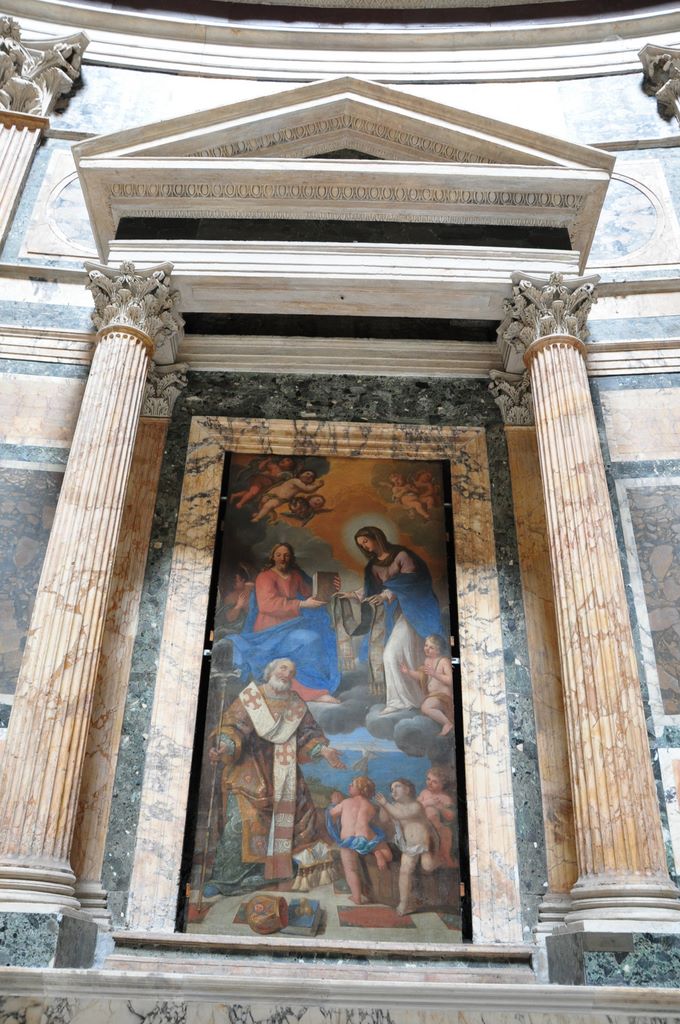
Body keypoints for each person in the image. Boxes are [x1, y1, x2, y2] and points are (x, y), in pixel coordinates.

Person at [202, 658, 345, 899]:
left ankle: (274, 872)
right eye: (283, 668)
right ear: (270, 670)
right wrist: (223, 746)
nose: (287, 673)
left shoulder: (296, 704)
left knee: (298, 822)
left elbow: (308, 735)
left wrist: (324, 750)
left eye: (292, 670)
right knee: (240, 826)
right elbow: (232, 727)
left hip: (285, 773)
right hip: (250, 770)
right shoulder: (251, 698)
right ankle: (226, 879)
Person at [343, 526, 444, 714]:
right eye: (360, 545)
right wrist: (353, 595)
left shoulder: (401, 556)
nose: (364, 546)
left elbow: (413, 582)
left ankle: (403, 701)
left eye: (365, 541)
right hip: (394, 616)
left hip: (414, 611)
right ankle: (409, 700)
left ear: (376, 537)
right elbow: (371, 590)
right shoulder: (372, 566)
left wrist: (387, 593)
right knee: (402, 654)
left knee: (397, 654)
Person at [230, 542, 341, 699]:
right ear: (273, 557)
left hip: (292, 625)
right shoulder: (265, 577)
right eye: (279, 555)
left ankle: (315, 688)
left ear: (291, 558)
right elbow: (267, 605)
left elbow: (311, 595)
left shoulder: (295, 576)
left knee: (316, 639)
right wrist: (302, 604)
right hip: (270, 630)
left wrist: (330, 588)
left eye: (286, 555)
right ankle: (311, 692)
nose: (283, 558)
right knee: (309, 640)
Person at [326, 776, 393, 905]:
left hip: (348, 841)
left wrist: (335, 803)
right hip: (366, 838)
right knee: (388, 855)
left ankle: (356, 897)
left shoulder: (346, 802)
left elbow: (331, 814)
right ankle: (377, 853)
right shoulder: (371, 806)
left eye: (352, 784)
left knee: (350, 869)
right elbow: (370, 822)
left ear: (360, 789)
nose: (349, 786)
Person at [376, 778, 438, 915]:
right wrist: (383, 807)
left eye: (397, 786)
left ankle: (440, 856)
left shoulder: (416, 805)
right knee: (404, 871)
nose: (393, 791)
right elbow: (384, 819)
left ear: (407, 790)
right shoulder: (395, 807)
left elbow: (401, 815)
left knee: (427, 866)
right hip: (409, 846)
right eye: (391, 790)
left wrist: (386, 803)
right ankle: (403, 903)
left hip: (426, 844)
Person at [400, 634, 454, 735]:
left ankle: (448, 724)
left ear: (438, 650)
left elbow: (451, 680)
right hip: (433, 696)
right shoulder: (427, 661)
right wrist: (408, 672)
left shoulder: (444, 661)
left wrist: (435, 674)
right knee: (425, 708)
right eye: (426, 645)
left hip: (443, 697)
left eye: (431, 647)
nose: (427, 649)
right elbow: (422, 677)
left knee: (426, 707)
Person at [417, 767, 457, 869]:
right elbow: (415, 808)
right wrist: (427, 803)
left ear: (442, 785)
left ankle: (446, 857)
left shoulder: (445, 798)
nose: (429, 783)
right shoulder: (424, 793)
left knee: (446, 832)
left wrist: (440, 807)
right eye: (428, 779)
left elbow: (450, 816)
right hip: (423, 825)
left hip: (438, 828)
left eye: (434, 782)